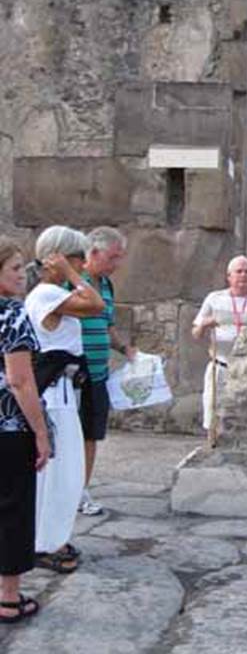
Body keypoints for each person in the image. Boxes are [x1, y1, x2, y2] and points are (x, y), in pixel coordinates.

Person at [25, 227, 105, 572]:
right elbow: (96, 305)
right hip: (53, 397)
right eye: (76, 258)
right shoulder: (46, 294)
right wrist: (73, 275)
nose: (82, 264)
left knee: (65, 472)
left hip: (63, 392)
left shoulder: (51, 294)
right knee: (58, 473)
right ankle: (43, 542)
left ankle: (51, 537)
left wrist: (70, 273)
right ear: (57, 258)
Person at [0, 238, 50, 622]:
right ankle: (8, 597)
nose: (22, 275)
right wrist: (41, 432)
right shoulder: (12, 314)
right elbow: (20, 381)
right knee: (13, 508)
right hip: (9, 427)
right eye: (15, 268)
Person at [77, 227, 135, 515]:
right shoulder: (74, 282)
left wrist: (125, 348)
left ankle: (81, 491)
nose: (117, 264)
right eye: (113, 257)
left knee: (91, 434)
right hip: (74, 375)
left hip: (98, 373)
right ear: (93, 253)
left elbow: (108, 325)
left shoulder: (106, 285)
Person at [192, 255, 247, 440]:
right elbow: (196, 334)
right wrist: (204, 325)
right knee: (212, 410)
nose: (243, 275)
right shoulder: (214, 299)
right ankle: (212, 442)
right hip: (220, 365)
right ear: (229, 276)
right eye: (239, 271)